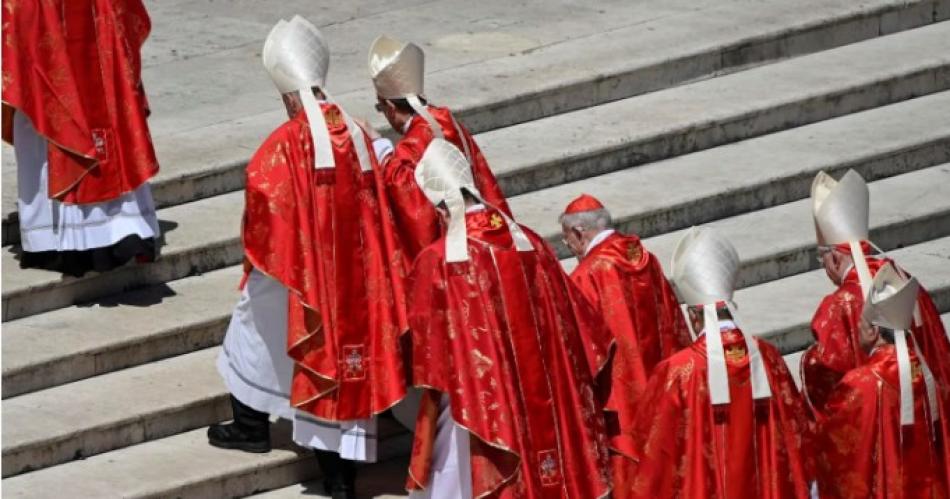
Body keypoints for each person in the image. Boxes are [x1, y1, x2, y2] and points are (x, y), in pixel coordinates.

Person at [208, 16, 409, 499]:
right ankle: (341, 473)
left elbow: (263, 203)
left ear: (291, 97)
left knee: (252, 331)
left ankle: (252, 427)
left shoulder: (283, 144)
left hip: (296, 274)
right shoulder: (361, 132)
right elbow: (391, 173)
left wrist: (272, 259)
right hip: (356, 279)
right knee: (340, 365)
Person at [405, 139, 614, 498]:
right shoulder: (530, 241)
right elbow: (576, 320)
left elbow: (430, 355)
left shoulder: (438, 260)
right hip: (544, 388)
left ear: (442, 208)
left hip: (479, 401)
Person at [630, 227, 813, 498]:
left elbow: (654, 453)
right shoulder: (768, 358)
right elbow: (797, 431)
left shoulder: (679, 372)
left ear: (693, 316)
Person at [2, 0, 161, 277]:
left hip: (47, 19)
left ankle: (62, 243)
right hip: (97, 19)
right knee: (108, 111)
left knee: (50, 112)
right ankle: (122, 229)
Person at [559, 193, 690, 495]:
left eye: (568, 243)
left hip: (621, 410)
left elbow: (585, 353)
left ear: (579, 233)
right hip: (662, 392)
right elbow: (673, 323)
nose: (572, 251)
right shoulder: (646, 258)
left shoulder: (587, 275)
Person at [801, 169, 950, 415]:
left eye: (822, 259)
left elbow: (827, 372)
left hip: (878, 413)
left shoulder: (840, 304)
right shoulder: (900, 278)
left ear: (836, 258)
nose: (824, 267)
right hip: (924, 403)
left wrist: (810, 358)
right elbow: (935, 344)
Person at [361, 34, 511, 260]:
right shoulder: (445, 119)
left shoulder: (416, 140)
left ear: (390, 106)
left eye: (380, 108)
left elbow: (407, 195)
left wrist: (379, 144)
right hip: (481, 228)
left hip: (452, 245)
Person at [816, 263, 949, 498]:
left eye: (861, 323)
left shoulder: (862, 382)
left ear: (873, 332)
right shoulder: (923, 371)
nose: (856, 329)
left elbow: (835, 445)